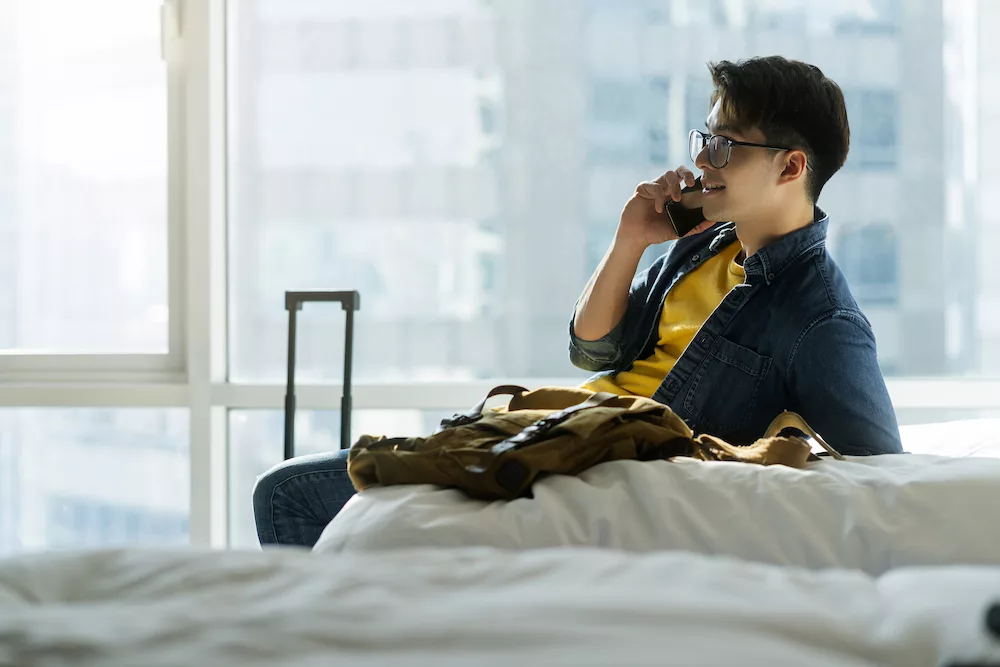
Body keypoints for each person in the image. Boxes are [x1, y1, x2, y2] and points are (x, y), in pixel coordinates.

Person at [253, 55, 902, 549]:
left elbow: (885, 476)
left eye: (725, 146)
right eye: (703, 139)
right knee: (288, 493)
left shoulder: (822, 320)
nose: (703, 160)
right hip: (553, 427)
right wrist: (631, 241)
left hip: (581, 463)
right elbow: (593, 348)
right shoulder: (707, 245)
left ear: (791, 168)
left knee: (286, 497)